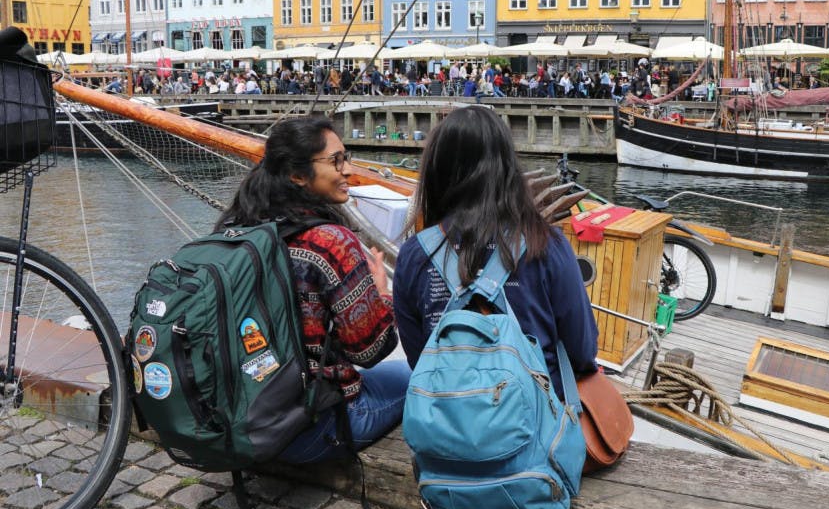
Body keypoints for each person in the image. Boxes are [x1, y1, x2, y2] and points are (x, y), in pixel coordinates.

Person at [215, 117, 408, 462]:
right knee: (414, 375)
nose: (348, 169)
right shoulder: (330, 242)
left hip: (245, 422)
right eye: (336, 160)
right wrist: (382, 294)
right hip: (314, 427)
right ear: (298, 175)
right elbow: (372, 351)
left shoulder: (233, 227)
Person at [393, 106, 598, 405]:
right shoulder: (546, 244)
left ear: (436, 170)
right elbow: (582, 350)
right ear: (507, 168)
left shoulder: (415, 254)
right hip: (533, 433)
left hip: (444, 431)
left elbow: (418, 360)